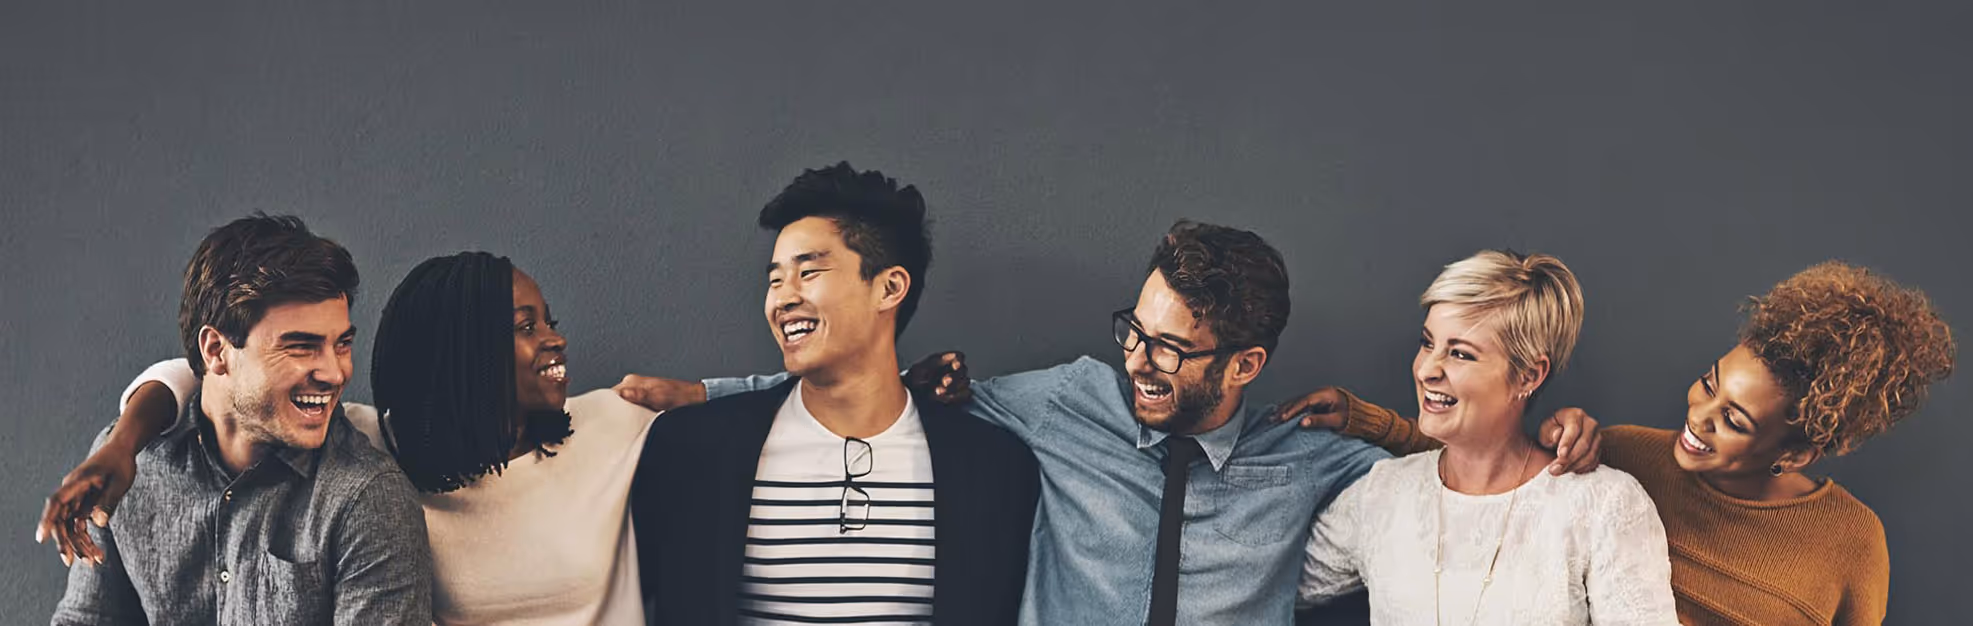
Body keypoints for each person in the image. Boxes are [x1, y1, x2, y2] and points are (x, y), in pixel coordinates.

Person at [621, 220, 1390, 625]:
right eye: (1133, 329)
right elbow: (872, 391)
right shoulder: (1064, 402)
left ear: (1244, 366)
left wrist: (1383, 423)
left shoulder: (1305, 457)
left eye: (1171, 349)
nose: (1137, 359)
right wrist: (707, 396)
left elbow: (1468, 472)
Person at [1280, 260, 1955, 625]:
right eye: (1707, 383)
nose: (1698, 418)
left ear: (1796, 453)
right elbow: (1478, 472)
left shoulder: (1849, 541)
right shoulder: (1630, 454)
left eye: (1736, 421)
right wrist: (1374, 424)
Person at [42, 251, 660, 624]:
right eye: (526, 326)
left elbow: (757, 407)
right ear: (461, 353)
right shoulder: (372, 441)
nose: (555, 339)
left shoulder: (612, 425)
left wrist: (711, 391)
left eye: (549, 322)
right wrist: (124, 442)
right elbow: (208, 383)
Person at [630, 163, 1041, 625]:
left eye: (808, 272)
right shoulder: (692, 449)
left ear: (889, 288)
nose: (782, 298)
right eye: (774, 279)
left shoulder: (994, 468)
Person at [46, 214, 433, 625]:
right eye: (301, 347)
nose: (335, 373)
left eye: (342, 344)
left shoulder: (367, 499)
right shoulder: (130, 467)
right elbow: (86, 618)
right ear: (216, 350)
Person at [1295, 250, 1678, 624]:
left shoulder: (1602, 505)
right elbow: (1265, 585)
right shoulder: (1382, 494)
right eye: (1428, 343)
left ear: (1529, 376)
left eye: (1460, 354)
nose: (1427, 369)